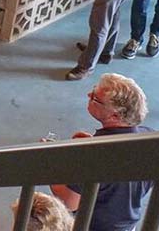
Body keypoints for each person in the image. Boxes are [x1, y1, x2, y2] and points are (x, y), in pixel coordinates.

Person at [49, 74, 152, 231]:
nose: (88, 95)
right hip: (127, 224)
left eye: (95, 98)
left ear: (114, 115)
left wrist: (51, 163)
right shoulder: (150, 138)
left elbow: (69, 201)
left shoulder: (96, 155)